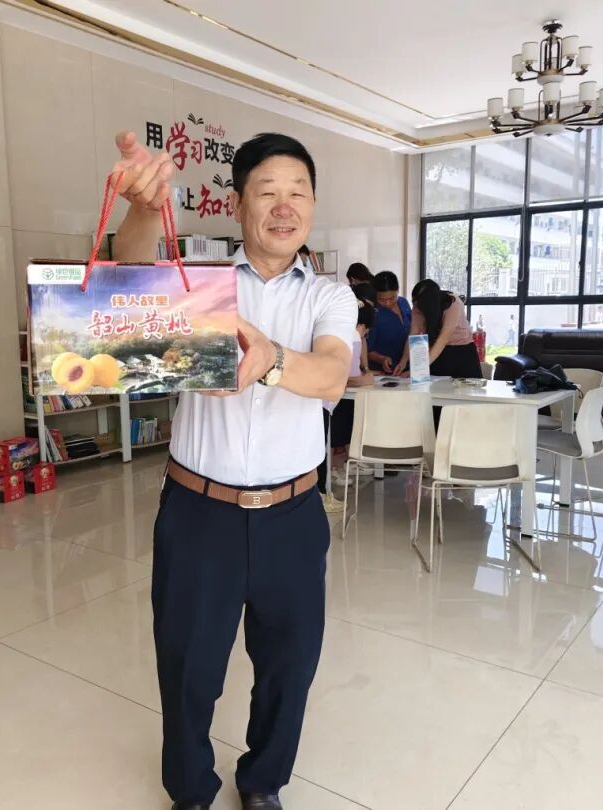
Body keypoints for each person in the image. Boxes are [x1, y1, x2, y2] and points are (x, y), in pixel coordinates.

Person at [107, 131, 355, 810]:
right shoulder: (199, 284)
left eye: (298, 193)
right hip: (199, 514)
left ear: (312, 205)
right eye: (267, 192)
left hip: (294, 516)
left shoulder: (329, 297)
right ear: (238, 204)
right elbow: (130, 275)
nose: (284, 206)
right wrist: (141, 208)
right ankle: (190, 788)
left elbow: (332, 375)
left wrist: (270, 360)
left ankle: (263, 781)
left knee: (287, 667)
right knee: (188, 666)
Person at [317, 292, 375, 510]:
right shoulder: (352, 335)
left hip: (314, 398)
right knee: (320, 450)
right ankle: (323, 497)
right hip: (323, 401)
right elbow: (348, 377)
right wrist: (367, 379)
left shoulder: (328, 332)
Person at [394, 279, 483, 378]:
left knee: (468, 386)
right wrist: (403, 361)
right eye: (415, 303)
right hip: (437, 352)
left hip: (462, 351)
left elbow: (442, 339)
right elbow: (413, 334)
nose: (416, 308)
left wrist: (420, 368)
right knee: (436, 385)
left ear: (430, 302)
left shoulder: (453, 304)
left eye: (420, 304)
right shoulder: (418, 306)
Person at [367, 271, 411, 374]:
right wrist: (382, 359)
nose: (387, 303)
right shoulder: (373, 312)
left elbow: (412, 332)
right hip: (383, 371)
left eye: (392, 298)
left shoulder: (403, 303)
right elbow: (367, 349)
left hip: (406, 368)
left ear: (397, 291)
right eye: (382, 300)